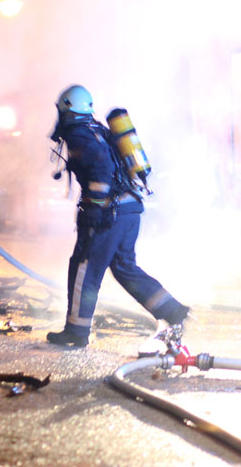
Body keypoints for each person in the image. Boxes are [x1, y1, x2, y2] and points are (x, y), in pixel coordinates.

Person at [46, 84, 189, 348]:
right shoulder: (98, 129)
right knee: (124, 267)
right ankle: (172, 310)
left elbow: (101, 169)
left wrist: (95, 208)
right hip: (130, 209)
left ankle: (76, 331)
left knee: (85, 268)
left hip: (110, 214)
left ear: (66, 107)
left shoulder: (79, 134)